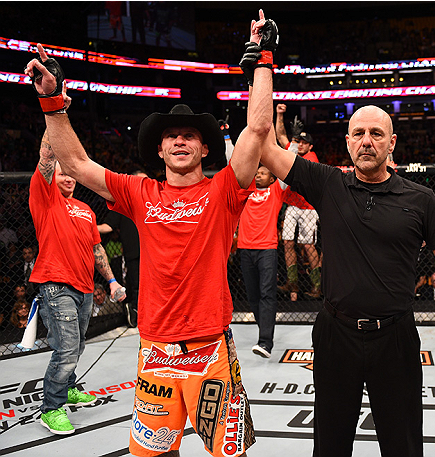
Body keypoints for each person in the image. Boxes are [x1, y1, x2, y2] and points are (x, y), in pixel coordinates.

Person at [25, 10, 277, 455]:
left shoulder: (223, 190)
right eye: (172, 136)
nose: (180, 141)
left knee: (227, 453)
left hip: (210, 349)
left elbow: (257, 130)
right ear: (159, 148)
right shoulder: (139, 191)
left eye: (189, 136)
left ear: (204, 146)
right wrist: (52, 102)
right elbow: (79, 165)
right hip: (156, 349)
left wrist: (262, 59)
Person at [259, 102, 435, 456]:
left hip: (394, 337)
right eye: (359, 133)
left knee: (402, 445)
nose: (367, 141)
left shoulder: (421, 199)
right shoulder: (327, 183)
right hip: (336, 334)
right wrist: (259, 73)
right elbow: (264, 146)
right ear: (347, 142)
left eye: (376, 134)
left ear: (392, 143)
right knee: (329, 445)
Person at [29, 130, 126, 435]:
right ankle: (51, 408)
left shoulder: (85, 210)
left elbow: (97, 250)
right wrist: (54, 113)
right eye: (63, 173)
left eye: (72, 174)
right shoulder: (45, 199)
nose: (69, 178)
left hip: (85, 288)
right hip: (56, 284)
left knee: (77, 344)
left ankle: (69, 388)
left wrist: (111, 282)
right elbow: (46, 158)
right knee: (68, 347)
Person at [237, 165, 287, 358]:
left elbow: (286, 167)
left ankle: (265, 342)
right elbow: (234, 162)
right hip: (245, 248)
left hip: (267, 249)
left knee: (267, 294)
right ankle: (263, 329)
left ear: (272, 178)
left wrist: (286, 141)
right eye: (256, 172)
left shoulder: (276, 191)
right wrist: (226, 137)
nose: (258, 175)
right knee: (253, 296)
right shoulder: (246, 190)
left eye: (263, 173)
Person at [275, 104, 321, 298]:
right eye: (298, 142)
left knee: (308, 245)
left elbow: (292, 158)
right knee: (287, 243)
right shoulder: (293, 149)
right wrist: (279, 114)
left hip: (308, 208)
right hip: (292, 206)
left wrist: (292, 145)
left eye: (304, 142)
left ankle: (317, 285)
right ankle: (292, 283)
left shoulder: (311, 157)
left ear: (310, 146)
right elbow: (280, 136)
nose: (300, 144)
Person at [97, 170, 147, 327]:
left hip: (157, 253)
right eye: (139, 181)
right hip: (135, 254)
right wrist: (86, 225)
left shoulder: (156, 202)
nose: (143, 185)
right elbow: (107, 227)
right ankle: (137, 315)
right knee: (138, 286)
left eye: (146, 182)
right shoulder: (123, 205)